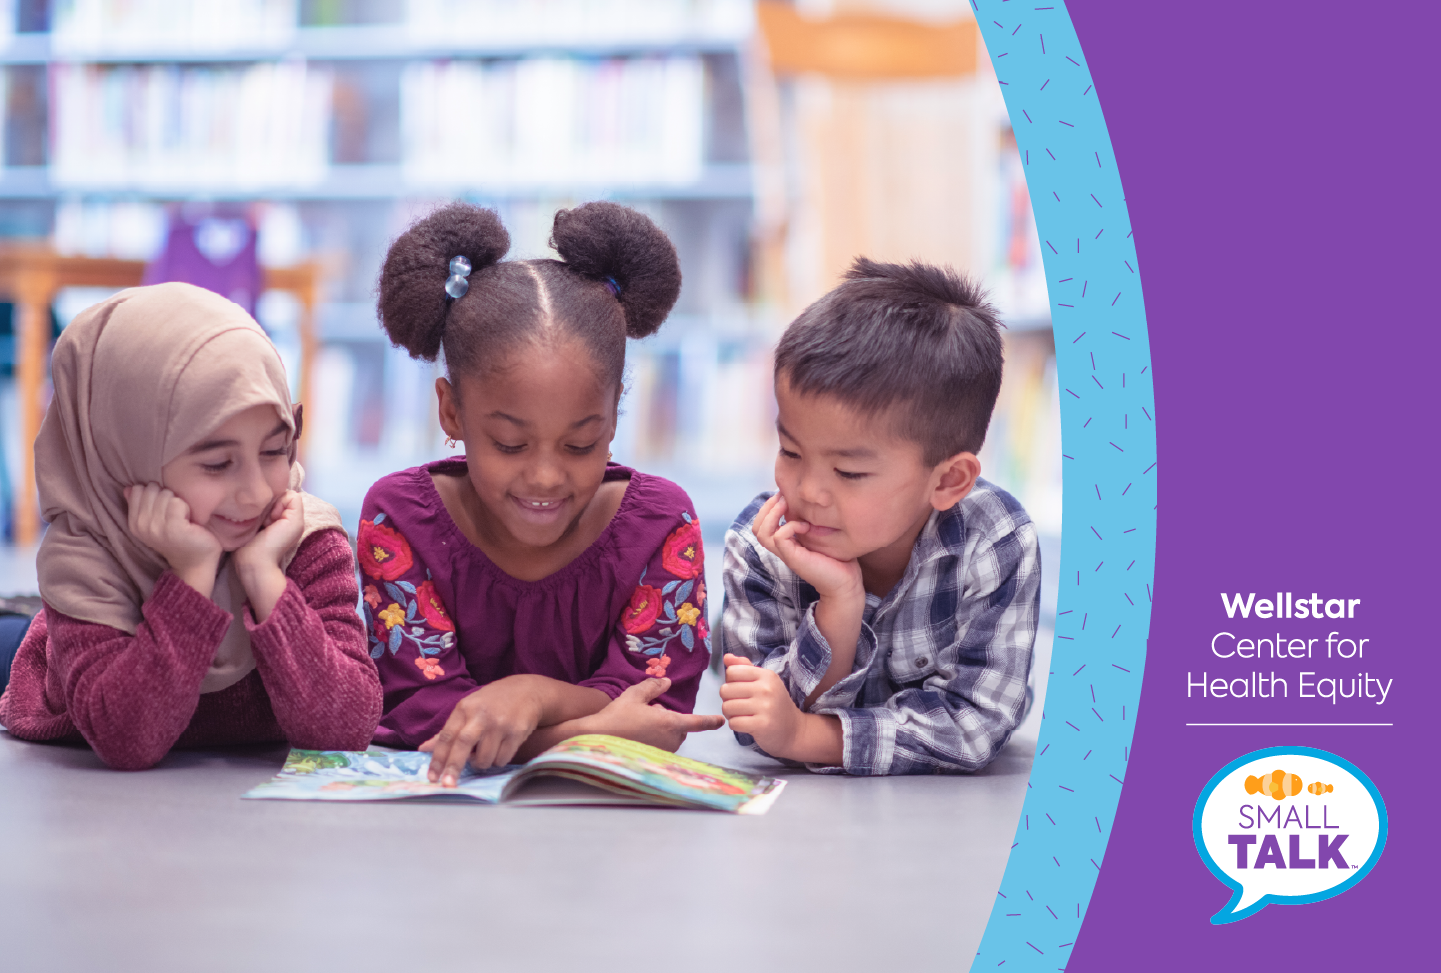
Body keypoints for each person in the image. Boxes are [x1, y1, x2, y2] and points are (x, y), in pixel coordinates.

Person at [363, 201, 723, 786]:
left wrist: (528, 696)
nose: (546, 478)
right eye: (509, 444)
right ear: (451, 412)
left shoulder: (662, 524)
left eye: (581, 445)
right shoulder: (399, 519)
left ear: (613, 415)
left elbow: (655, 708)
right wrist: (584, 731)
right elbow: (424, 716)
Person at [0, 283, 380, 770]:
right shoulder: (87, 556)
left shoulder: (303, 536)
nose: (256, 494)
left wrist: (265, 578)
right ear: (130, 452)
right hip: (44, 671)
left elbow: (346, 730)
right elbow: (128, 740)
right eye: (218, 463)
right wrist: (192, 578)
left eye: (273, 451)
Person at [718, 258, 1040, 775]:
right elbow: (756, 718)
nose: (808, 491)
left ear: (948, 480)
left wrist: (808, 737)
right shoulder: (762, 542)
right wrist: (838, 606)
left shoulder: (995, 539)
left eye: (848, 472)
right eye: (791, 451)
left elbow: (975, 724)